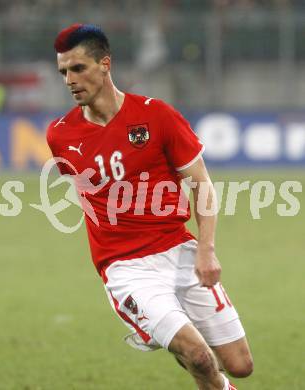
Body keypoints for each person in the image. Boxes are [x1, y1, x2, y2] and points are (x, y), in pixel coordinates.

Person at [47, 23, 253, 390]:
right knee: (201, 357)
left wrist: (206, 250)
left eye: (78, 68)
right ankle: (163, 328)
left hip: (180, 251)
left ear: (105, 64)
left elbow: (201, 185)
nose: (69, 80)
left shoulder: (157, 116)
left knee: (240, 365)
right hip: (126, 268)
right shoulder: (60, 135)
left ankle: (170, 333)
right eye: (63, 71)